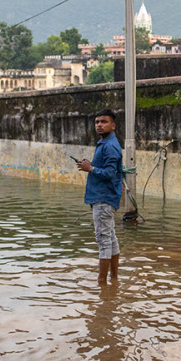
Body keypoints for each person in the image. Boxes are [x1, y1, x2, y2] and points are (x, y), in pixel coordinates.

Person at [76, 108, 123, 285]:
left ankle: (102, 284)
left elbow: (110, 173)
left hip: (103, 199)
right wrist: (91, 165)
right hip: (105, 197)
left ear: (113, 125)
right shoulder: (106, 143)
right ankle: (114, 280)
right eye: (97, 122)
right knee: (110, 238)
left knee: (103, 240)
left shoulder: (110, 146)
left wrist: (92, 169)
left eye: (104, 122)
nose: (99, 125)